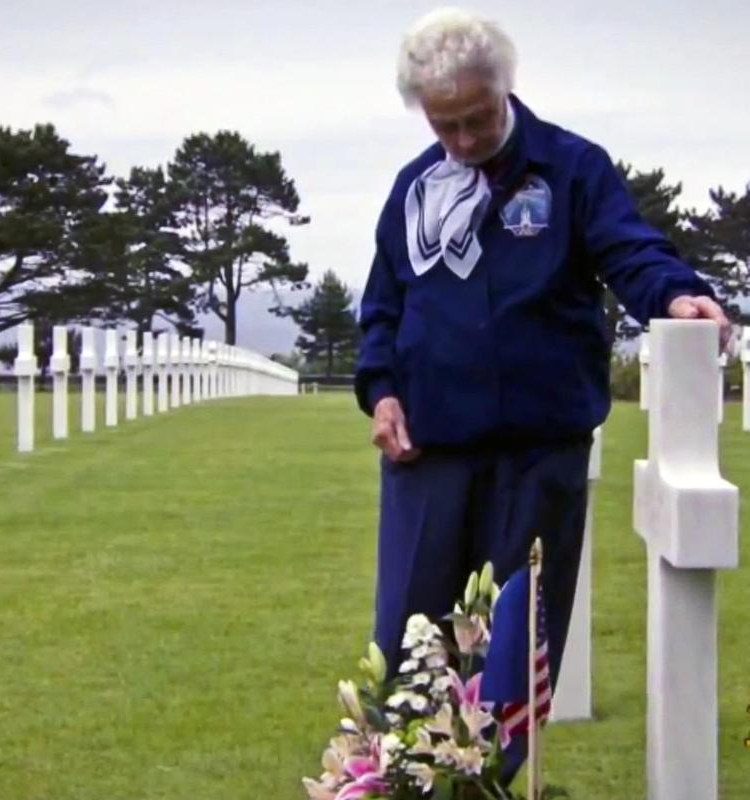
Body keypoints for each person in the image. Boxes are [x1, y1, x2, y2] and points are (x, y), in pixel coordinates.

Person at [355, 6, 728, 778]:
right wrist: (381, 392)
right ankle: (404, 787)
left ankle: (492, 786)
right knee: (411, 646)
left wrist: (676, 295)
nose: (461, 141)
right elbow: (384, 308)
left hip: (537, 457)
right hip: (428, 459)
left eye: (476, 119)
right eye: (443, 124)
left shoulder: (571, 170)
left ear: (506, 89)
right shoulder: (413, 189)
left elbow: (633, 249)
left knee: (512, 655)